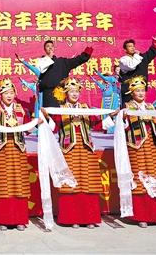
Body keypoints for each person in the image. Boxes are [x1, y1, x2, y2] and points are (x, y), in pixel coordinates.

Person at [43, 77, 108, 228]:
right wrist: (46, 117)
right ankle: (72, 218)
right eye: (71, 91)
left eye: (77, 91)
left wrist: (112, 116)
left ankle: (89, 218)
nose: (74, 94)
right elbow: (54, 128)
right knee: (70, 184)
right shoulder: (60, 109)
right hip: (68, 150)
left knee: (88, 182)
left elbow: (97, 125)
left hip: (86, 149)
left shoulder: (85, 108)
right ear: (66, 93)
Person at [0, 78, 32, 231]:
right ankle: (2, 219)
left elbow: (29, 129)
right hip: (0, 151)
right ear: (0, 95)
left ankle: (20, 219)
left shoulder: (21, 109)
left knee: (19, 184)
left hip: (18, 150)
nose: (9, 96)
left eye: (11, 93)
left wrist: (39, 122)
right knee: (2, 185)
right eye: (6, 93)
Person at [121, 76, 156, 228]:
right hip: (136, 147)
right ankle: (141, 216)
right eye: (137, 91)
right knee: (139, 181)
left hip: (152, 145)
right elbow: (123, 127)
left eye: (143, 90)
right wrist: (122, 117)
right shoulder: (127, 107)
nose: (141, 93)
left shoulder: (150, 107)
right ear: (132, 93)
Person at [37, 40, 93, 109]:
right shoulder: (41, 62)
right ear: (44, 49)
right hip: (48, 94)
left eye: (52, 46)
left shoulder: (62, 62)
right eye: (48, 46)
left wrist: (86, 54)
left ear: (54, 48)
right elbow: (39, 74)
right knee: (50, 113)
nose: (50, 48)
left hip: (61, 93)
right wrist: (49, 58)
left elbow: (75, 61)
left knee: (61, 114)